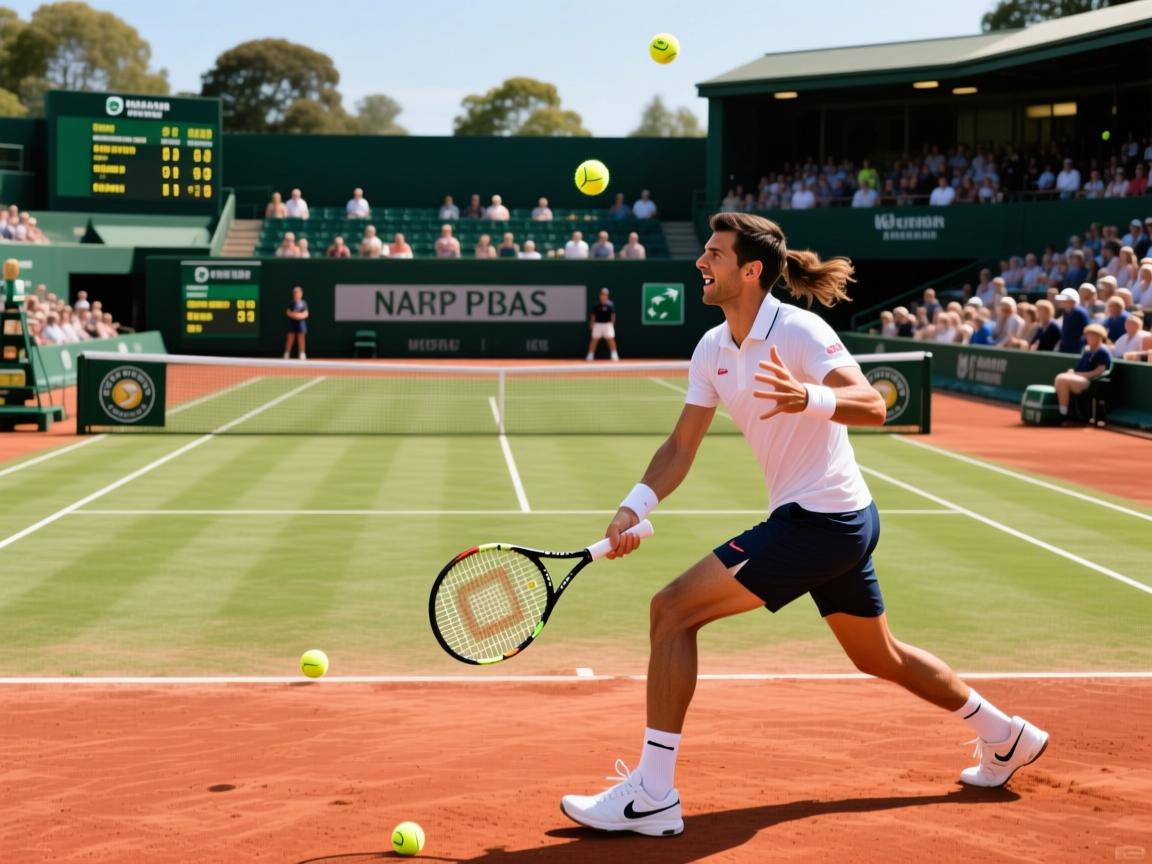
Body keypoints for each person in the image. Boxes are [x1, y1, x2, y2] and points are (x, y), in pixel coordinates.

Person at [559, 212, 1049, 839]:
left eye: (714, 254)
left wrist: (809, 397)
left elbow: (874, 404)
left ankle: (653, 793)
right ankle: (1006, 735)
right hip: (835, 519)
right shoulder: (712, 348)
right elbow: (681, 446)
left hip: (824, 520)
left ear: (750, 270)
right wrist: (635, 506)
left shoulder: (799, 330)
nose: (701, 262)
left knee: (672, 610)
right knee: (879, 656)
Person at [1054, 323, 1111, 419]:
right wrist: (1073, 372)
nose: (1088, 338)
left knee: (1062, 380)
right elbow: (1080, 367)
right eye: (1087, 335)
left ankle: (1063, 414)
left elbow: (1099, 372)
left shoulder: (1103, 352)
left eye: (1091, 335)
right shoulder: (1087, 350)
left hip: (1091, 383)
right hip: (1080, 378)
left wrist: (1079, 374)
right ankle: (1063, 411)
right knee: (1059, 377)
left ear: (1099, 337)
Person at [585, 287, 618, 361]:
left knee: (611, 339)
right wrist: (592, 323)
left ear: (607, 296)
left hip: (608, 324)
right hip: (598, 324)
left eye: (605, 294)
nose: (604, 296)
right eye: (602, 294)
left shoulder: (611, 304)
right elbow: (593, 315)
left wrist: (612, 324)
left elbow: (613, 315)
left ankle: (614, 354)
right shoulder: (596, 305)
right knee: (594, 339)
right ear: (600, 295)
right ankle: (590, 355)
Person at [283, 285, 309, 360]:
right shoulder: (291, 303)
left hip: (301, 324)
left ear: (301, 294)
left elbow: (306, 313)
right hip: (292, 323)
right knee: (290, 338)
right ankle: (287, 353)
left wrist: (298, 316)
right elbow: (288, 312)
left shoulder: (303, 303)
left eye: (298, 293)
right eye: (295, 293)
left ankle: (302, 353)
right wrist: (294, 315)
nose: (297, 294)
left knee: (301, 338)